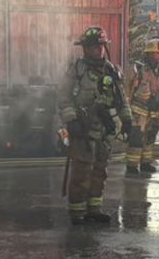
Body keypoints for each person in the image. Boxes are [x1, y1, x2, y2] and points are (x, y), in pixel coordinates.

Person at [57, 27, 133, 225]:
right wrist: (71, 120)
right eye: (93, 47)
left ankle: (94, 209)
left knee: (100, 170)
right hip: (82, 126)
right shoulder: (77, 70)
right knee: (81, 171)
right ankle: (76, 212)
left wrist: (127, 120)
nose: (97, 50)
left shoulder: (112, 70)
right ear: (85, 49)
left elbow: (121, 99)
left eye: (100, 46)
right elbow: (63, 96)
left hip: (104, 129)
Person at [125, 38, 159, 177]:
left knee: (150, 137)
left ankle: (146, 163)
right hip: (140, 111)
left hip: (155, 112)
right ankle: (132, 165)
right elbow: (130, 90)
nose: (158, 56)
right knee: (137, 138)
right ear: (148, 54)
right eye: (156, 53)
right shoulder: (140, 70)